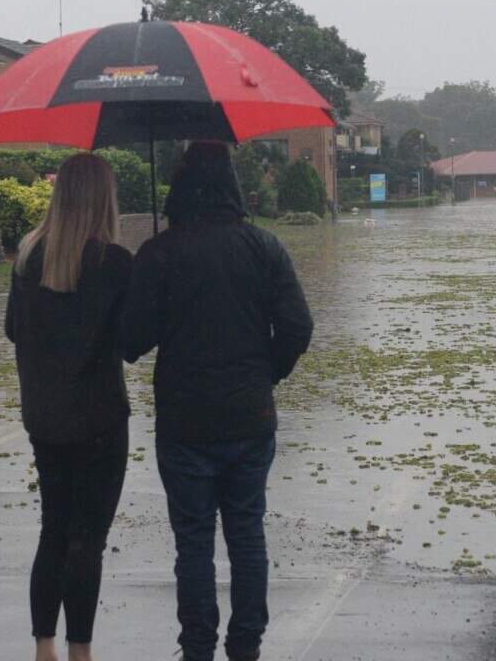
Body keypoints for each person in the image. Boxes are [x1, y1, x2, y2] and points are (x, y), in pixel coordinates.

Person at [122, 141, 313, 661]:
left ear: (178, 189)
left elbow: (131, 342)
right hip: (251, 419)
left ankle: (198, 647)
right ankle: (246, 645)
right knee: (247, 534)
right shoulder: (264, 246)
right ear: (233, 187)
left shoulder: (161, 252)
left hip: (185, 423)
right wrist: (264, 375)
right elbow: (298, 326)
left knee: (193, 544)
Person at [5, 153, 132, 661]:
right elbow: (131, 341)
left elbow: (14, 329)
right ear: (104, 199)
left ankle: (44, 645)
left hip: (44, 417)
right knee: (87, 538)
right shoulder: (115, 263)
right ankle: (81, 649)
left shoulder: (27, 258)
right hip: (99, 419)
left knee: (53, 527)